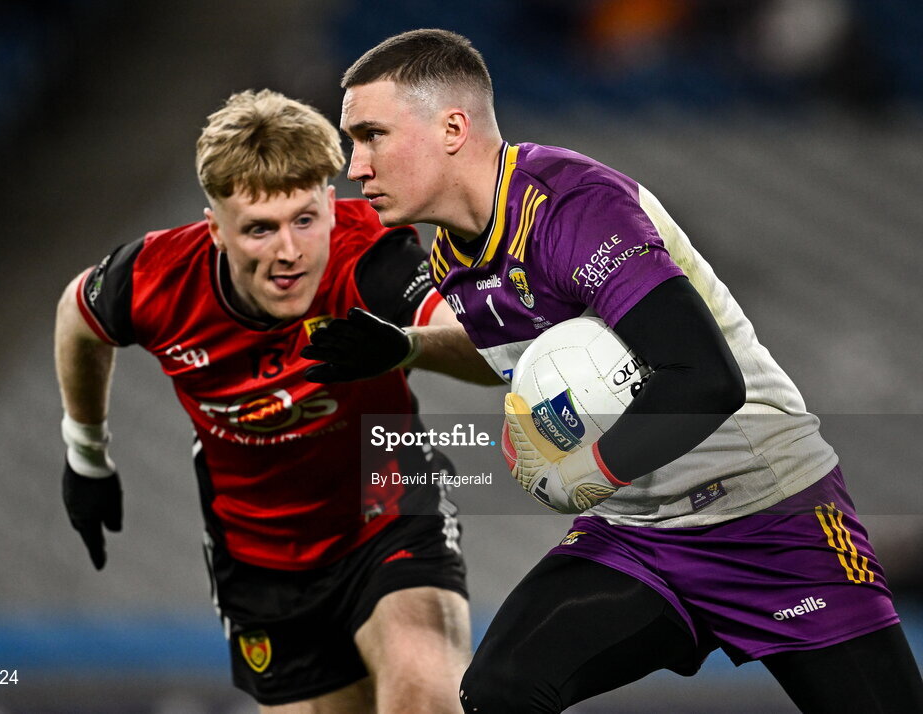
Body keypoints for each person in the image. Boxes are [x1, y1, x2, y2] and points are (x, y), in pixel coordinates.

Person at [301, 29, 923, 713]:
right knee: (500, 691)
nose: (355, 166)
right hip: (639, 538)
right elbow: (516, 358)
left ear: (452, 127)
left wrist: (582, 474)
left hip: (770, 520)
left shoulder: (575, 209)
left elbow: (703, 378)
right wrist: (409, 349)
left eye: (371, 135)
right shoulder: (453, 253)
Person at [54, 88, 500, 713]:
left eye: (304, 220)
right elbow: (77, 317)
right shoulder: (153, 279)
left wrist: (405, 345)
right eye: (260, 229)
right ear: (215, 229)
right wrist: (86, 455)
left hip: (390, 517)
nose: (289, 253)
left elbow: (482, 354)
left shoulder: (369, 255)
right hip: (260, 567)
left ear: (329, 202)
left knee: (426, 689)